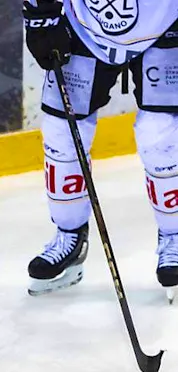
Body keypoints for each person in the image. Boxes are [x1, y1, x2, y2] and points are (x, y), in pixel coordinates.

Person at [23, 0, 178, 298]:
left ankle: (175, 235)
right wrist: (41, 17)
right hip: (85, 25)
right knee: (62, 128)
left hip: (166, 22)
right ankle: (69, 235)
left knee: (160, 133)